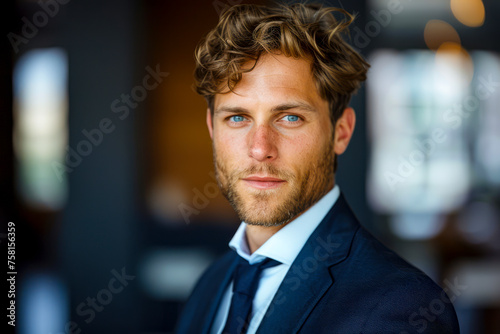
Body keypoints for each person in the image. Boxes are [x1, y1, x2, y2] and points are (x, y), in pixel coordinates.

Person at [176, 3, 459, 334]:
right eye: (237, 117)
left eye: (290, 117)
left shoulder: (401, 307)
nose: (260, 148)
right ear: (212, 128)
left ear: (341, 132)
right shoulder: (211, 284)